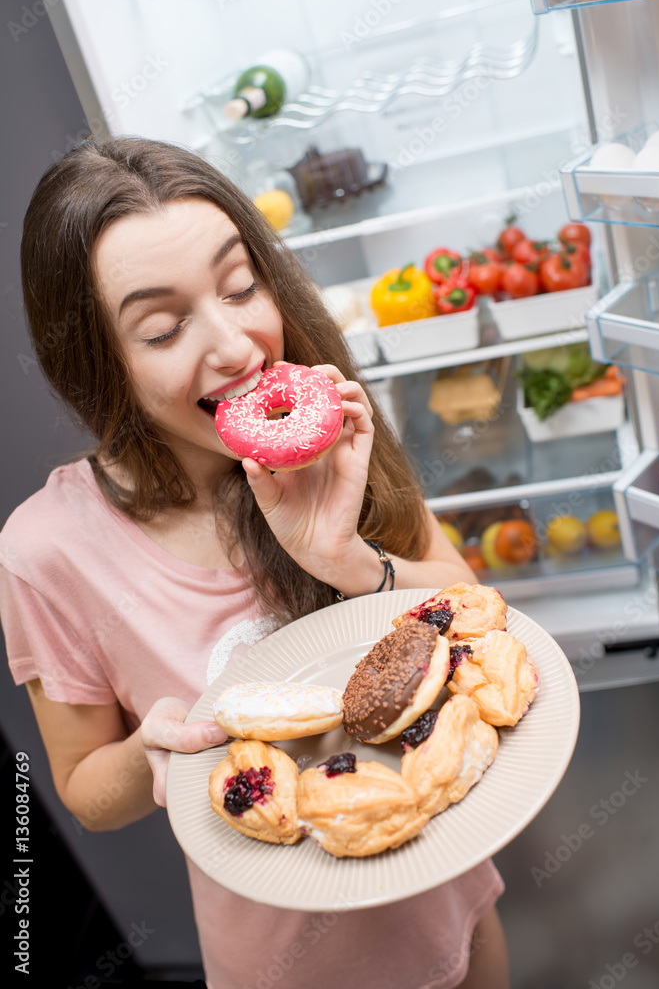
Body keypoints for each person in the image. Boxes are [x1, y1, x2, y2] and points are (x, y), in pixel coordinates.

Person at [0, 136, 509, 989]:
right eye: (162, 328)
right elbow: (85, 788)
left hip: (449, 897)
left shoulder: (330, 424)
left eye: (241, 287)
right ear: (98, 364)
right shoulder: (45, 551)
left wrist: (352, 562)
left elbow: (475, 611)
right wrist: (156, 749)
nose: (237, 346)